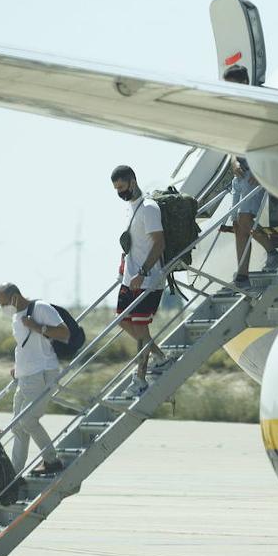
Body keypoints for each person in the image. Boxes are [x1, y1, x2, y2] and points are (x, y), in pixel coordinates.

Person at [0, 282, 66, 477]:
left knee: (28, 420)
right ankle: (14, 476)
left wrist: (36, 326)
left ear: (14, 297)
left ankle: (52, 460)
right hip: (25, 376)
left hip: (42, 372)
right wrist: (18, 368)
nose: (2, 309)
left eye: (3, 304)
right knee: (18, 427)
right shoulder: (16, 316)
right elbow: (27, 346)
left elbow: (63, 332)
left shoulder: (40, 308)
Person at [222, 65, 278, 287]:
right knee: (239, 225)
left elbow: (271, 142)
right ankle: (245, 271)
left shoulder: (259, 108)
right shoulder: (233, 111)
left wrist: (261, 170)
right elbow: (231, 144)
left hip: (254, 172)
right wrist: (233, 161)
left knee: (246, 220)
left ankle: (262, 259)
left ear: (244, 83)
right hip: (240, 172)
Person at [110, 164, 170, 391]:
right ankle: (160, 357)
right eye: (116, 189)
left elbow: (159, 242)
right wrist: (122, 268)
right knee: (122, 320)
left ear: (133, 182)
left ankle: (141, 379)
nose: (120, 192)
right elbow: (130, 244)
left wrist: (143, 271)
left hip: (148, 279)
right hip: (129, 278)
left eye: (122, 187)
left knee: (141, 329)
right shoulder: (130, 208)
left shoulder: (149, 208)